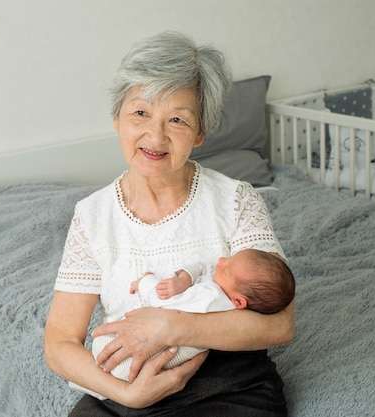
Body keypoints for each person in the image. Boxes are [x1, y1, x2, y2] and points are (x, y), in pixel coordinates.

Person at [44, 30, 295, 416]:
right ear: (117, 118)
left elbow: (279, 325)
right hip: (126, 390)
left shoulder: (237, 199)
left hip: (228, 388)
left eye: (176, 119)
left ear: (198, 134)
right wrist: (126, 395)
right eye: (141, 113)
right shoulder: (92, 216)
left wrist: (171, 327)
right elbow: (60, 342)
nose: (155, 136)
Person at [70, 248, 295, 400]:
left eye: (225, 268)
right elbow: (203, 268)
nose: (220, 261)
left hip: (169, 355)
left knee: (105, 348)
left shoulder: (210, 295)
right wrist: (186, 277)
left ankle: (105, 383)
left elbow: (162, 301)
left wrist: (145, 281)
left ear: (239, 302)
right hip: (160, 363)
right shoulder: (228, 294)